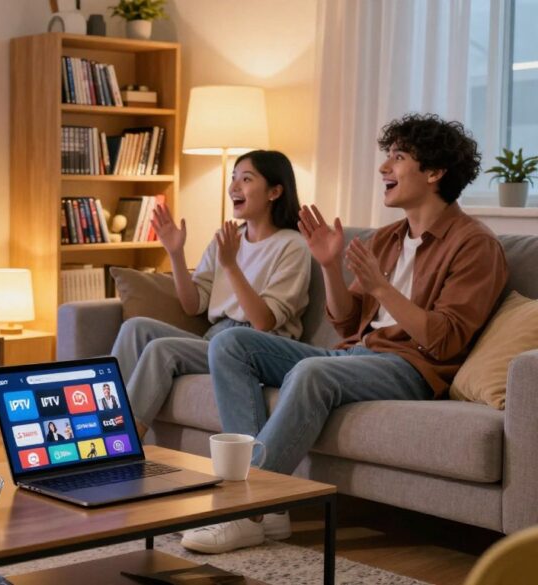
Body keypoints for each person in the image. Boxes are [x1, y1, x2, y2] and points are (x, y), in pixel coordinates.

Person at [182, 113, 508, 555]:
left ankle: (246, 509)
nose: (384, 167)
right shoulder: (388, 238)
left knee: (312, 373)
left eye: (398, 157)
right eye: (387, 156)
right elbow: (347, 321)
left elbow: (445, 339)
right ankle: (270, 509)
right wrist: (330, 266)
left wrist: (383, 289)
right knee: (230, 343)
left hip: (410, 368)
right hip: (356, 354)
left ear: (434, 172)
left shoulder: (474, 244)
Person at [111, 150, 310, 439]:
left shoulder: (292, 246)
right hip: (214, 337)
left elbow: (264, 322)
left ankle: (122, 440)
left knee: (161, 349)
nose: (234, 187)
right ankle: (101, 419)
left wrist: (230, 266)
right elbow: (193, 305)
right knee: (135, 328)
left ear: (274, 192)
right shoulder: (228, 238)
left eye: (246, 179)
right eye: (233, 178)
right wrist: (175, 253)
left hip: (254, 345)